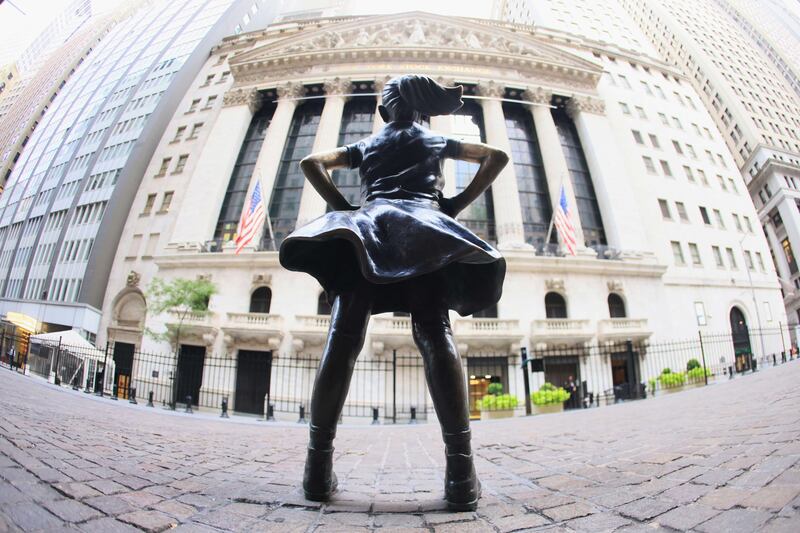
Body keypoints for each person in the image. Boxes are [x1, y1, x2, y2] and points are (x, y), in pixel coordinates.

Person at [280, 75, 509, 511]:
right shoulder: (436, 140)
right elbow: (495, 156)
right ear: (421, 107)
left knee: (343, 338)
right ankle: (461, 473)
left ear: (384, 109)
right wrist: (456, 203)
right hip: (423, 231)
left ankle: (316, 469)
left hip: (367, 232)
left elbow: (312, 163)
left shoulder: (367, 145)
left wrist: (345, 208)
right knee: (435, 334)